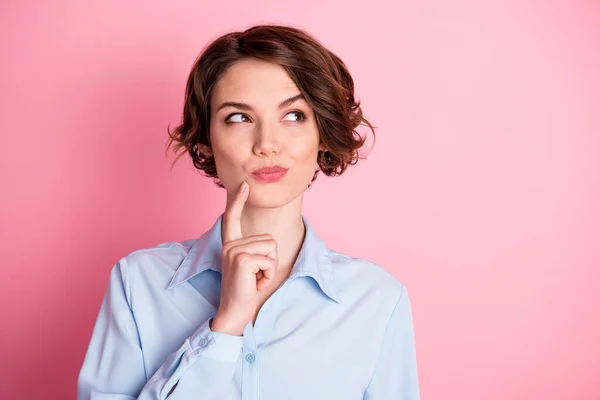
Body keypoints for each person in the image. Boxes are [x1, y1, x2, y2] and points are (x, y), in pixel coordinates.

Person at [77, 24, 419, 400]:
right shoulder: (138, 283)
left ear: (322, 132)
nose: (267, 144)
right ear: (206, 141)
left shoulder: (377, 300)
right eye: (239, 118)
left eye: (294, 116)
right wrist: (224, 329)